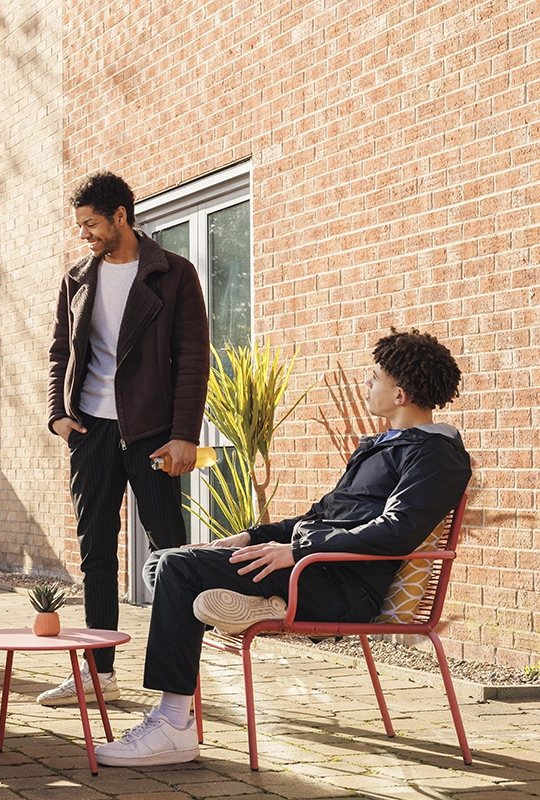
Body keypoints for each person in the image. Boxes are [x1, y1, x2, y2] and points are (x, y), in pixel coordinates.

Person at [95, 329, 472, 767]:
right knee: (161, 562)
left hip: (343, 586)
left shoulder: (436, 455)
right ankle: (259, 609)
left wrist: (298, 551)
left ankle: (174, 723)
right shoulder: (378, 446)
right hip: (315, 567)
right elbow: (321, 514)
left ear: (400, 393)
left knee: (178, 570)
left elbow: (397, 531)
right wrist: (254, 536)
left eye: (375, 378)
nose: (367, 385)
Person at [44, 171, 210, 705]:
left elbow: (192, 360)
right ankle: (99, 674)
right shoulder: (77, 276)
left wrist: (185, 435)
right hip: (90, 430)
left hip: (153, 436)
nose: (84, 234)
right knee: (96, 553)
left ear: (120, 216)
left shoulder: (173, 274)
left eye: (91, 224)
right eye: (80, 226)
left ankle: (179, 682)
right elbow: (59, 353)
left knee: (172, 554)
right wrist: (57, 415)